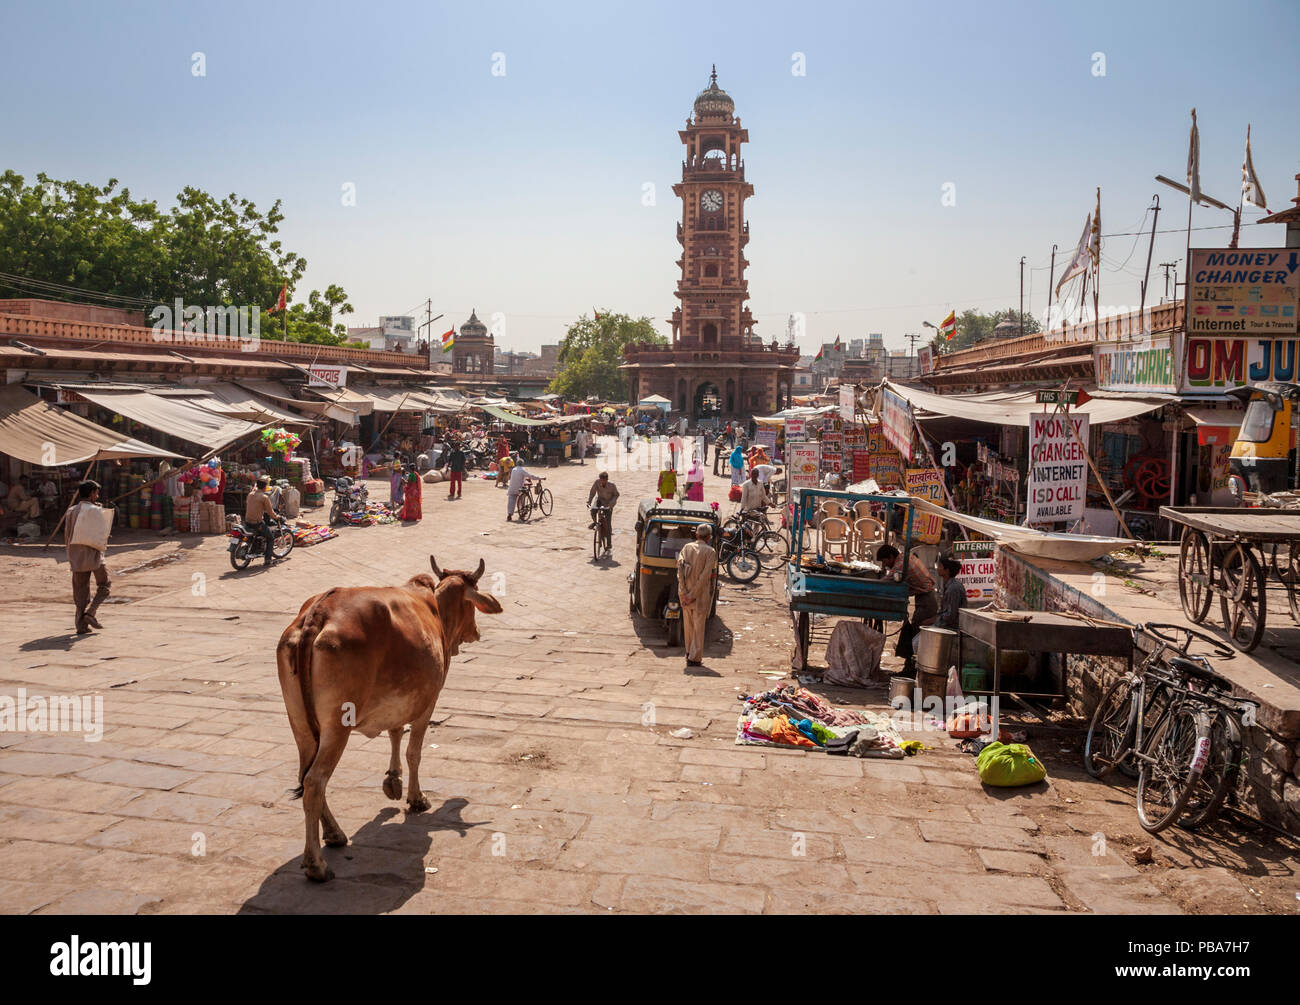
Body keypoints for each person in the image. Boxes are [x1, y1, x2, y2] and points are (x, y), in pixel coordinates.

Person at [64, 479, 112, 634]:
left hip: (76, 556)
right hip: (94, 555)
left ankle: (81, 625)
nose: (97, 496)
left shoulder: (71, 511)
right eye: (96, 493)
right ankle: (91, 613)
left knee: (80, 592)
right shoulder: (95, 510)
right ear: (92, 493)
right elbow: (102, 533)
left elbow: (67, 535)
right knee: (104, 585)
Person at [676, 523, 718, 667]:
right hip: (699, 596)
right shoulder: (710, 551)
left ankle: (689, 652)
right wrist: (692, 594)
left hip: (685, 594)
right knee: (698, 628)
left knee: (688, 626)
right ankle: (694, 658)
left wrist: (684, 592)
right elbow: (705, 576)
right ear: (709, 537)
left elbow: (680, 571)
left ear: (696, 535)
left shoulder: (687, 548)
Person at [245, 474, 277, 567]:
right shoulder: (264, 497)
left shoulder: (250, 494)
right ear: (265, 487)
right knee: (270, 538)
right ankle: (268, 560)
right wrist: (277, 517)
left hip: (247, 522)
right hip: (256, 523)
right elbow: (270, 513)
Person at [935, 557, 967, 630]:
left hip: (951, 629)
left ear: (947, 571)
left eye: (940, 566)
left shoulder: (953, 588)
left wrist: (935, 619)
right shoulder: (948, 585)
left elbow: (950, 616)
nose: (938, 568)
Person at [506, 457, 540, 521]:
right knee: (522, 498)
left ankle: (509, 515)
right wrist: (539, 478)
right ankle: (522, 512)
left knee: (511, 501)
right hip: (519, 489)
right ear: (522, 464)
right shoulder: (522, 470)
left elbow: (518, 477)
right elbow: (531, 476)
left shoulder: (514, 469)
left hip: (512, 488)